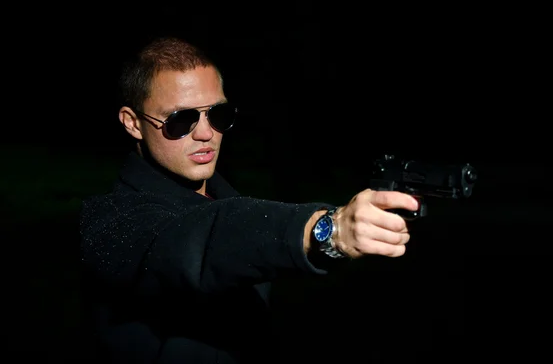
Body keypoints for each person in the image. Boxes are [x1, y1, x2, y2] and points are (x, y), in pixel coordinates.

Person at [79, 36, 421, 364]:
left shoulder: (224, 194)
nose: (205, 133)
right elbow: (202, 240)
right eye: (180, 120)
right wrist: (326, 230)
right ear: (133, 123)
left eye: (218, 114)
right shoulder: (109, 223)